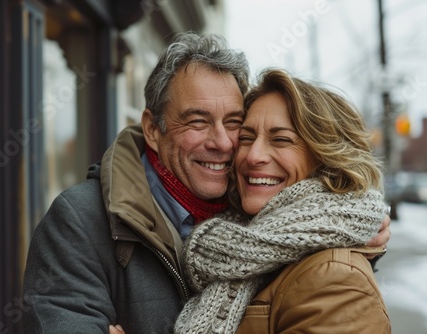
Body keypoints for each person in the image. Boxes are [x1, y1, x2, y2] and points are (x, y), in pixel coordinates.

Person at [22, 33, 390, 334]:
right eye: (198, 121)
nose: (225, 143)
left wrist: (349, 236)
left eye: (234, 123)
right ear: (153, 129)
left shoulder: (267, 227)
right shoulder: (80, 222)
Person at [173, 68, 391, 334]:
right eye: (246, 138)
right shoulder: (238, 244)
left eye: (281, 140)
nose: (253, 156)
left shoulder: (336, 278)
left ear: (326, 159)